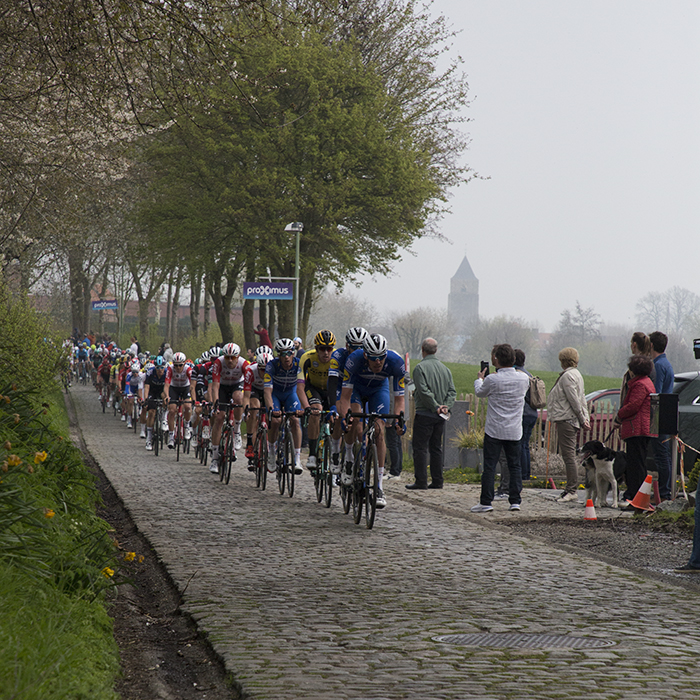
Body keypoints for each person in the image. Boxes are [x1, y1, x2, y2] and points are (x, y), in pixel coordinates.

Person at [338, 333, 406, 509]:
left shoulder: (396, 362)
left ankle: (378, 487)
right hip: (356, 390)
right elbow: (344, 397)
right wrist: (346, 418)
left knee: (378, 430)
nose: (378, 362)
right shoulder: (354, 360)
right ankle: (348, 458)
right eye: (374, 358)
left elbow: (399, 400)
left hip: (379, 391)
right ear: (365, 355)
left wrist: (399, 421)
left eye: (381, 358)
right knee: (356, 421)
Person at [470, 344, 530, 513]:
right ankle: (515, 500)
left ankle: (486, 502)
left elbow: (480, 393)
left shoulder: (492, 379)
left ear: (495, 359)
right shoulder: (523, 378)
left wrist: (479, 379)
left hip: (495, 429)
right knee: (514, 465)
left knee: (490, 466)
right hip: (514, 430)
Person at [406, 337, 456, 490]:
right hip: (440, 416)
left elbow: (423, 391)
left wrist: (435, 406)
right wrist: (445, 407)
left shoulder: (420, 369)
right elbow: (451, 392)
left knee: (420, 447)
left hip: (425, 413)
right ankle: (437, 480)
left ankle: (421, 481)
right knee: (436, 448)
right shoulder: (445, 369)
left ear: (423, 350)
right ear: (436, 350)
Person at [546, 347, 590, 502]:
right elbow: (582, 398)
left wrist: (582, 417)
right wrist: (585, 418)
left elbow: (574, 400)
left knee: (569, 455)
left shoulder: (567, 376)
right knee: (570, 454)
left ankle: (571, 490)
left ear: (563, 361)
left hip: (567, 419)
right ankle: (571, 488)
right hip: (572, 418)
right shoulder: (577, 375)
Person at [494, 348, 539, 497]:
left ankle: (519, 478)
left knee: (517, 448)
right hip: (532, 413)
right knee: (524, 445)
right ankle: (525, 475)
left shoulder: (518, 376)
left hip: (523, 414)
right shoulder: (528, 374)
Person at [615, 354, 655, 504]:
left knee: (635, 463)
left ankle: (635, 494)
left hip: (636, 428)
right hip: (642, 428)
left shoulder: (639, 385)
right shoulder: (647, 382)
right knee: (639, 462)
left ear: (634, 371)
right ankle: (639, 494)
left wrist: (619, 415)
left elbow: (632, 406)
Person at [264, 338, 305, 475]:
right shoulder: (271, 365)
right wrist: (271, 409)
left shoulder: (299, 365)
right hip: (275, 394)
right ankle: (271, 451)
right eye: (282, 354)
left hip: (291, 394)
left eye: (289, 353)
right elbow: (267, 391)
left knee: (295, 421)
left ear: (293, 353)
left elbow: (301, 388)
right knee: (275, 421)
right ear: (278, 355)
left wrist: (303, 407)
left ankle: (297, 458)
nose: (286, 357)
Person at [296, 330, 336, 470]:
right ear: (316, 348)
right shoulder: (307, 357)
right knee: (316, 411)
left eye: (329, 349)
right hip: (313, 388)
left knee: (336, 418)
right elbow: (300, 387)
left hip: (331, 389)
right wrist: (306, 406)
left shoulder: (336, 358)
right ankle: (312, 454)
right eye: (322, 349)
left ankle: (335, 453)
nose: (326, 352)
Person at [650, 331, 674, 501]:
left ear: (651, 345)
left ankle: (665, 493)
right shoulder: (666, 363)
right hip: (665, 412)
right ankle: (666, 491)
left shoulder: (658, 365)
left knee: (661, 455)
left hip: (658, 414)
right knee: (664, 454)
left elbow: (655, 392)